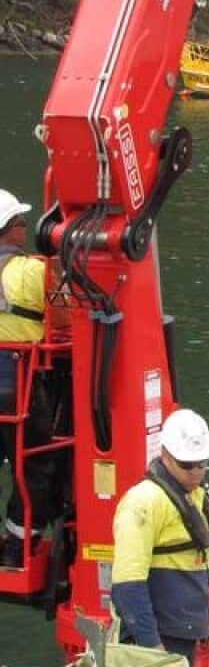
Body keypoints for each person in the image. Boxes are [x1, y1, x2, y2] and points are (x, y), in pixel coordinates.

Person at [112, 409, 209, 661]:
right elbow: (127, 585)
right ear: (165, 455)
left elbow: (197, 558)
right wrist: (152, 647)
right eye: (186, 464)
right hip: (158, 637)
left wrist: (204, 618)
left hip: (184, 631)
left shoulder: (194, 493)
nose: (196, 471)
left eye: (202, 463)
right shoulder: (143, 503)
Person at [0, 188, 62, 568]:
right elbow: (71, 313)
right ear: (11, 229)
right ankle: (16, 544)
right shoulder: (32, 272)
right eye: (23, 223)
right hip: (15, 383)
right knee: (37, 462)